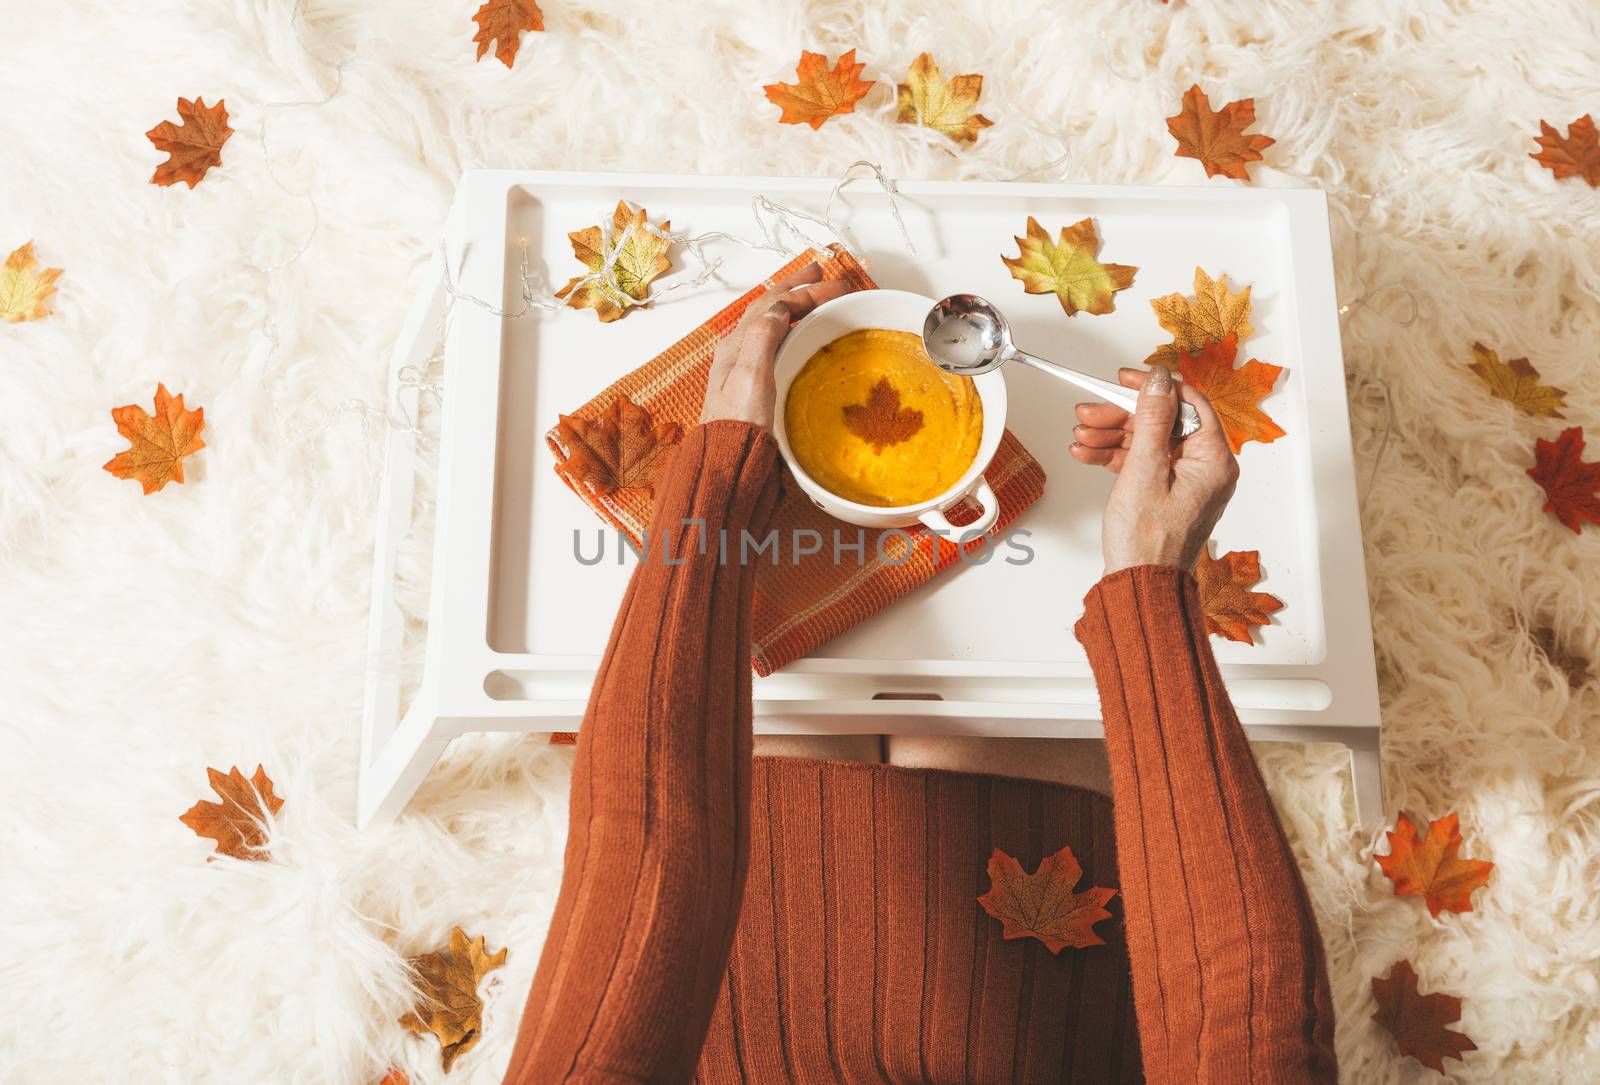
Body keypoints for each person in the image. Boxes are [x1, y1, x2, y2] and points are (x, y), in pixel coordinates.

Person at [500, 265, 1337, 1084]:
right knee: (971, 695)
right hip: (1040, 984)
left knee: (801, 683)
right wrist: (1150, 582)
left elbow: (643, 842)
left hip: (718, 952)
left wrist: (719, 484)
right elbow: (1245, 1011)